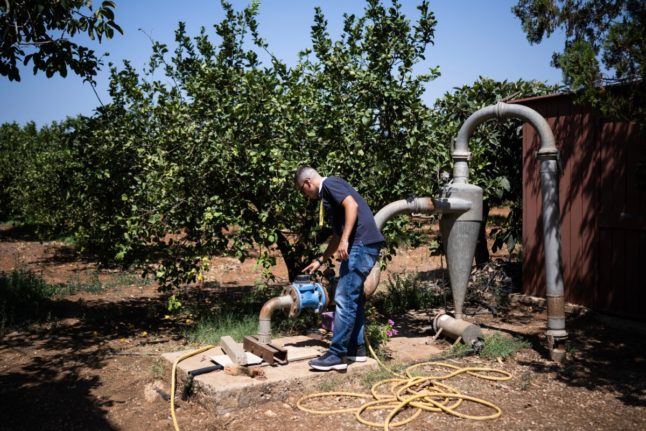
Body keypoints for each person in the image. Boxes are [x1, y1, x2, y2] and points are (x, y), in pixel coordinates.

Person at [295, 166, 384, 371]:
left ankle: (336, 355)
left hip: (359, 246)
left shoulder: (330, 184)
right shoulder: (330, 197)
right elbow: (338, 234)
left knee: (344, 298)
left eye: (302, 190)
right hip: (362, 245)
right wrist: (321, 259)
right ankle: (355, 349)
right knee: (354, 298)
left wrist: (346, 241)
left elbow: (351, 205)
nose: (305, 195)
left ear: (308, 183)